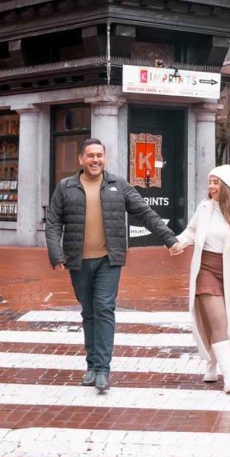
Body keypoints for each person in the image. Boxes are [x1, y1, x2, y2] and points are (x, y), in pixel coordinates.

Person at [45, 138, 179, 394]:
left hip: (109, 259)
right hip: (78, 261)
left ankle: (102, 370)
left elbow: (144, 212)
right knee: (89, 312)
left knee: (104, 308)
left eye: (100, 155)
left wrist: (169, 238)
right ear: (81, 159)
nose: (95, 160)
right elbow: (53, 222)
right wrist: (56, 254)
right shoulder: (66, 187)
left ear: (104, 158)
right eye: (90, 155)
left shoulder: (118, 185)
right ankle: (92, 365)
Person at [171, 164, 230, 394]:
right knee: (218, 320)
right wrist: (179, 243)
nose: (211, 187)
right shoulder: (204, 208)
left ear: (228, 186)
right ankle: (229, 378)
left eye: (215, 182)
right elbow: (192, 231)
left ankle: (212, 361)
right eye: (209, 182)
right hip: (206, 270)